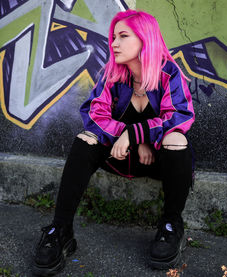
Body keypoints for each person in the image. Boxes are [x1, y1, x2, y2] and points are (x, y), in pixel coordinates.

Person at [32, 9, 195, 276]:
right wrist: (131, 139)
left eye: (123, 36)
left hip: (161, 162)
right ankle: (60, 230)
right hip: (119, 158)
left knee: (176, 139)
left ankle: (170, 225)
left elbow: (179, 117)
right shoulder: (112, 75)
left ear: (144, 39)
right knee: (85, 139)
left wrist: (136, 134)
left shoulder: (169, 74)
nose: (114, 43)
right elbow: (95, 117)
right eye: (113, 37)